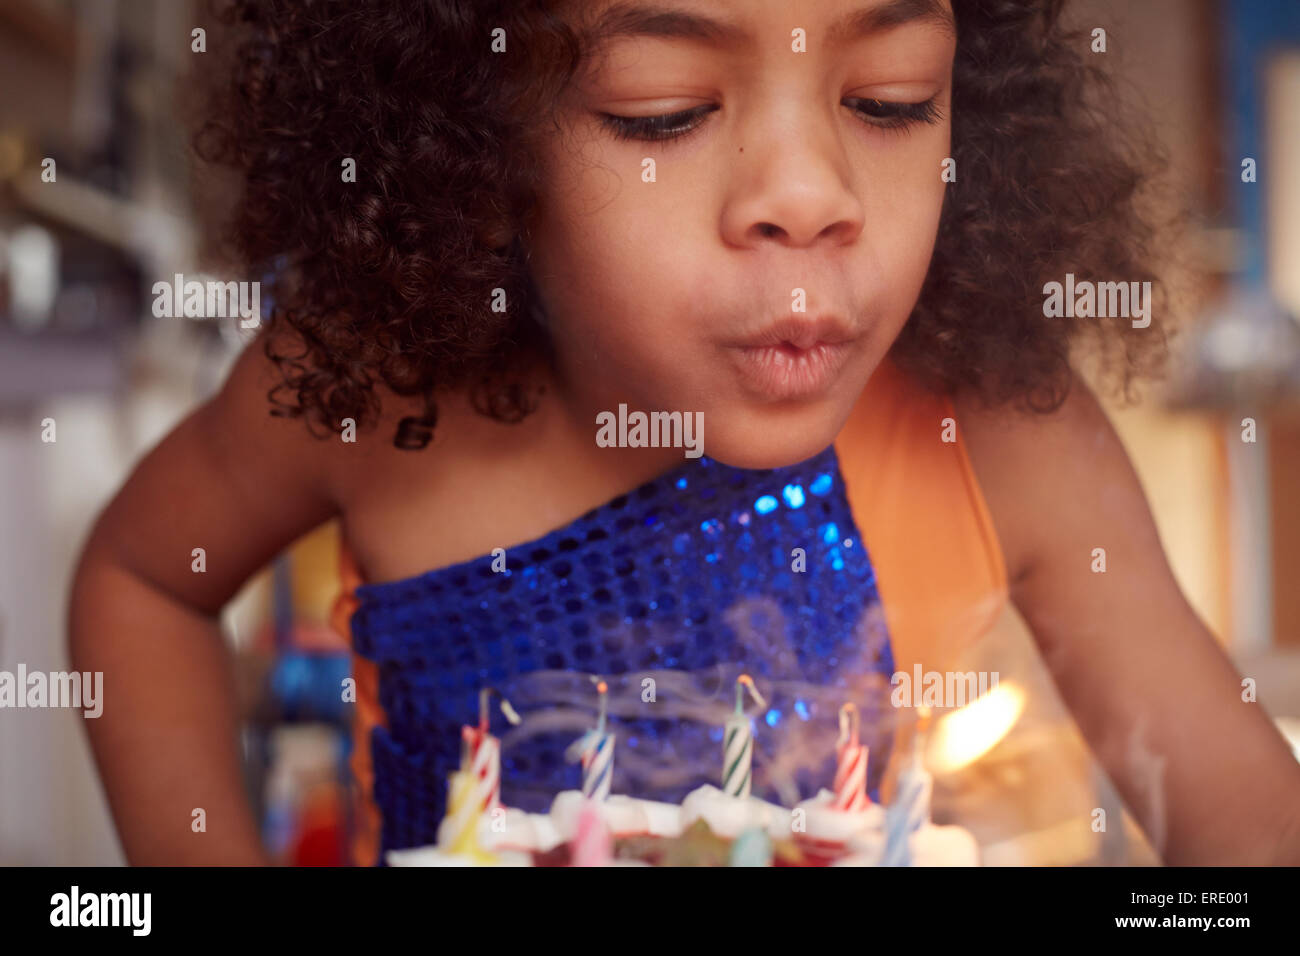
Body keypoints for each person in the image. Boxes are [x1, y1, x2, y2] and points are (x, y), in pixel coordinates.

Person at [70, 0, 1300, 865]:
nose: (810, 195)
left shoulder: (1001, 433)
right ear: (478, 140)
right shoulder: (369, 393)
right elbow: (142, 581)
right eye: (661, 113)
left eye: (890, 99)